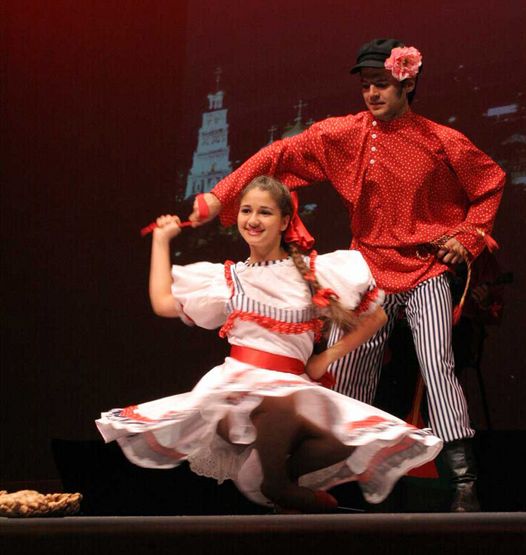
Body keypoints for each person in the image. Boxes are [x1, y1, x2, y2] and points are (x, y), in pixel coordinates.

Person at [188, 39, 506, 511]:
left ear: (408, 82)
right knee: (348, 379)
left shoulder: (440, 140)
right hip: (368, 268)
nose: (373, 93)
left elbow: (490, 182)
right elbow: (277, 156)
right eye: (366, 85)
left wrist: (469, 236)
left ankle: (464, 483)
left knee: (436, 367)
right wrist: (219, 196)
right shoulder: (342, 135)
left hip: (425, 266)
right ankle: (325, 490)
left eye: (382, 84)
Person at [96, 176, 443, 513]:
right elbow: (163, 302)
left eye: (264, 212)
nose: (253, 220)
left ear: (284, 221)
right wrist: (160, 240)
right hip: (238, 395)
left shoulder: (311, 272)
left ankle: (276, 480)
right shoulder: (229, 279)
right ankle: (276, 484)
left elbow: (376, 316)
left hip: (293, 389)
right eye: (246, 211)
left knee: (341, 439)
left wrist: (326, 359)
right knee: (278, 402)